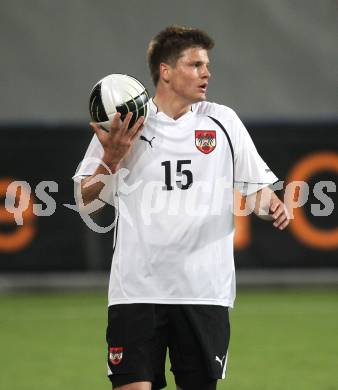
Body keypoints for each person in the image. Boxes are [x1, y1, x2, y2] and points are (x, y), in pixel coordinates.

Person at [73, 26, 289, 390]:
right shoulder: (127, 122)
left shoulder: (223, 121)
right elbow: (87, 203)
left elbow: (257, 194)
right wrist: (110, 158)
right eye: (195, 64)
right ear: (166, 71)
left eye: (207, 64)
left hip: (202, 291)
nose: (206, 73)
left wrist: (272, 206)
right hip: (137, 291)